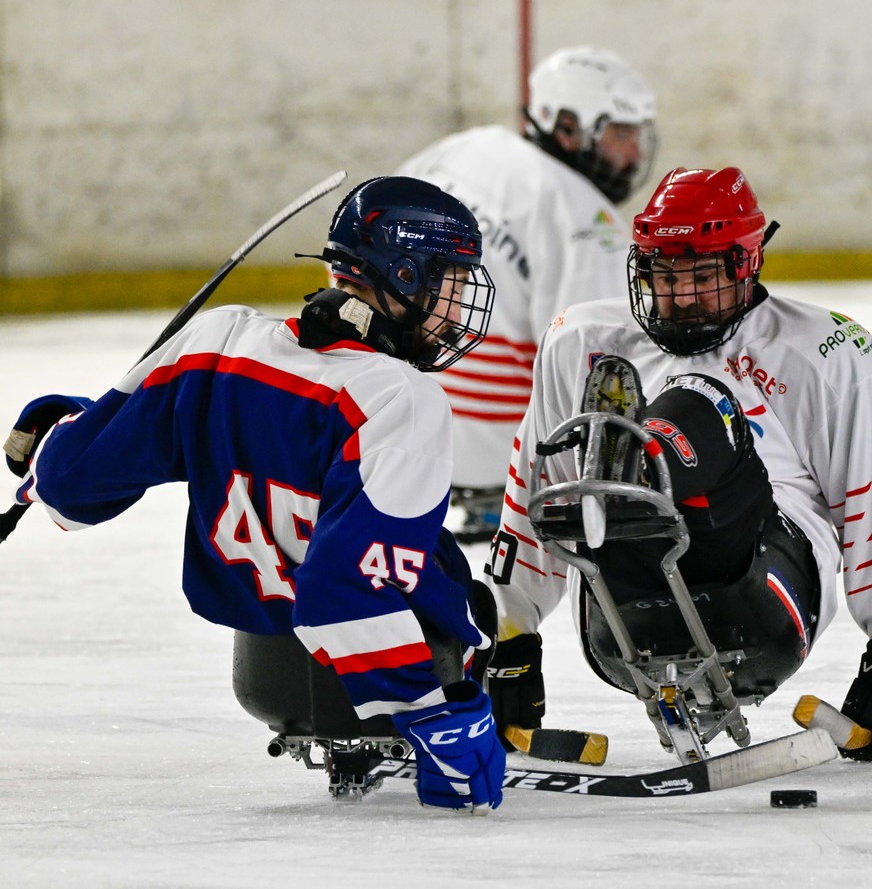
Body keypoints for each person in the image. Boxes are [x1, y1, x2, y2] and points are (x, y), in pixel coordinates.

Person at [4, 176, 506, 812]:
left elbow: (70, 488)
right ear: (403, 276)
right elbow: (340, 594)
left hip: (267, 675)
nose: (455, 311)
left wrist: (74, 425)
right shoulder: (400, 399)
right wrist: (433, 718)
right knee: (464, 586)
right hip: (382, 679)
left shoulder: (217, 345)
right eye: (448, 286)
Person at [486, 166, 872, 762]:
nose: (679, 297)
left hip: (763, 593)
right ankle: (628, 482)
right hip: (620, 620)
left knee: (702, 402)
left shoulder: (827, 353)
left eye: (702, 275)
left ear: (746, 264)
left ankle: (643, 463)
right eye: (661, 275)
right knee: (581, 484)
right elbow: (535, 492)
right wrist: (508, 640)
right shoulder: (581, 339)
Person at [398, 45, 658, 543]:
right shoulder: (586, 218)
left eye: (639, 135)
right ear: (566, 126)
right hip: (495, 460)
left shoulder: (464, 147)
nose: (635, 155)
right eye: (621, 134)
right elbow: (597, 367)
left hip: (392, 425)